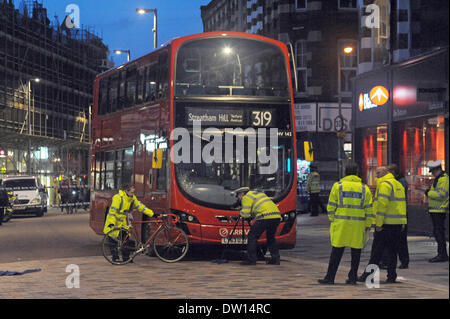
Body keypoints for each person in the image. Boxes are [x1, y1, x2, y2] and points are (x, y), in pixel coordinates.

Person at [317, 162, 374, 285]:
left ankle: (330, 277)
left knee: (336, 252)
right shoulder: (364, 188)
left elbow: (331, 205)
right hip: (358, 225)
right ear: (357, 173)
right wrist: (368, 224)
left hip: (341, 224)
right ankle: (353, 277)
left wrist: (333, 218)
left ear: (345, 172)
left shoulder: (338, 186)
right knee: (356, 253)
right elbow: (369, 208)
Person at [358, 166, 407, 284]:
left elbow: (382, 206)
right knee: (392, 251)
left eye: (378, 172)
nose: (376, 175)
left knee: (376, 251)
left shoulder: (385, 185)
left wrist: (378, 223)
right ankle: (391, 275)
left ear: (386, 172)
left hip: (386, 224)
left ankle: (367, 275)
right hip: (397, 223)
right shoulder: (397, 184)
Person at [103, 183, 157, 262]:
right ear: (126, 191)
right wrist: (112, 223)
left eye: (133, 192)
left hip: (123, 222)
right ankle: (115, 258)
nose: (133, 194)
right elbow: (112, 212)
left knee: (126, 239)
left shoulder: (132, 198)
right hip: (114, 222)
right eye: (132, 192)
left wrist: (152, 214)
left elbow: (141, 207)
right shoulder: (117, 198)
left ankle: (126, 258)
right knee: (113, 240)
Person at [232, 187, 282, 265]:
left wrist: (240, 211)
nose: (238, 199)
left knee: (252, 236)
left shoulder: (246, 197)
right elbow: (259, 207)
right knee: (271, 237)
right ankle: (275, 259)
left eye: (238, 196)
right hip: (276, 216)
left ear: (241, 194)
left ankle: (251, 260)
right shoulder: (259, 194)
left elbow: (245, 214)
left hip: (264, 217)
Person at [379, 164, 410, 269]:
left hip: (394, 218)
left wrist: (379, 222)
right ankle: (394, 267)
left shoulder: (396, 183)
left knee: (395, 243)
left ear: (393, 172)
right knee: (397, 243)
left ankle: (400, 262)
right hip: (400, 216)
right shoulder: (399, 182)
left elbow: (383, 204)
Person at [424, 160, 449, 263]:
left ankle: (442, 255)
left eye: (433, 171)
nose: (432, 173)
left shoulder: (443, 179)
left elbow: (441, 195)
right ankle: (441, 254)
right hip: (435, 210)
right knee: (438, 233)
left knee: (439, 233)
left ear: (438, 169)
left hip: (439, 210)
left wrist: (428, 193)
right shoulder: (439, 179)